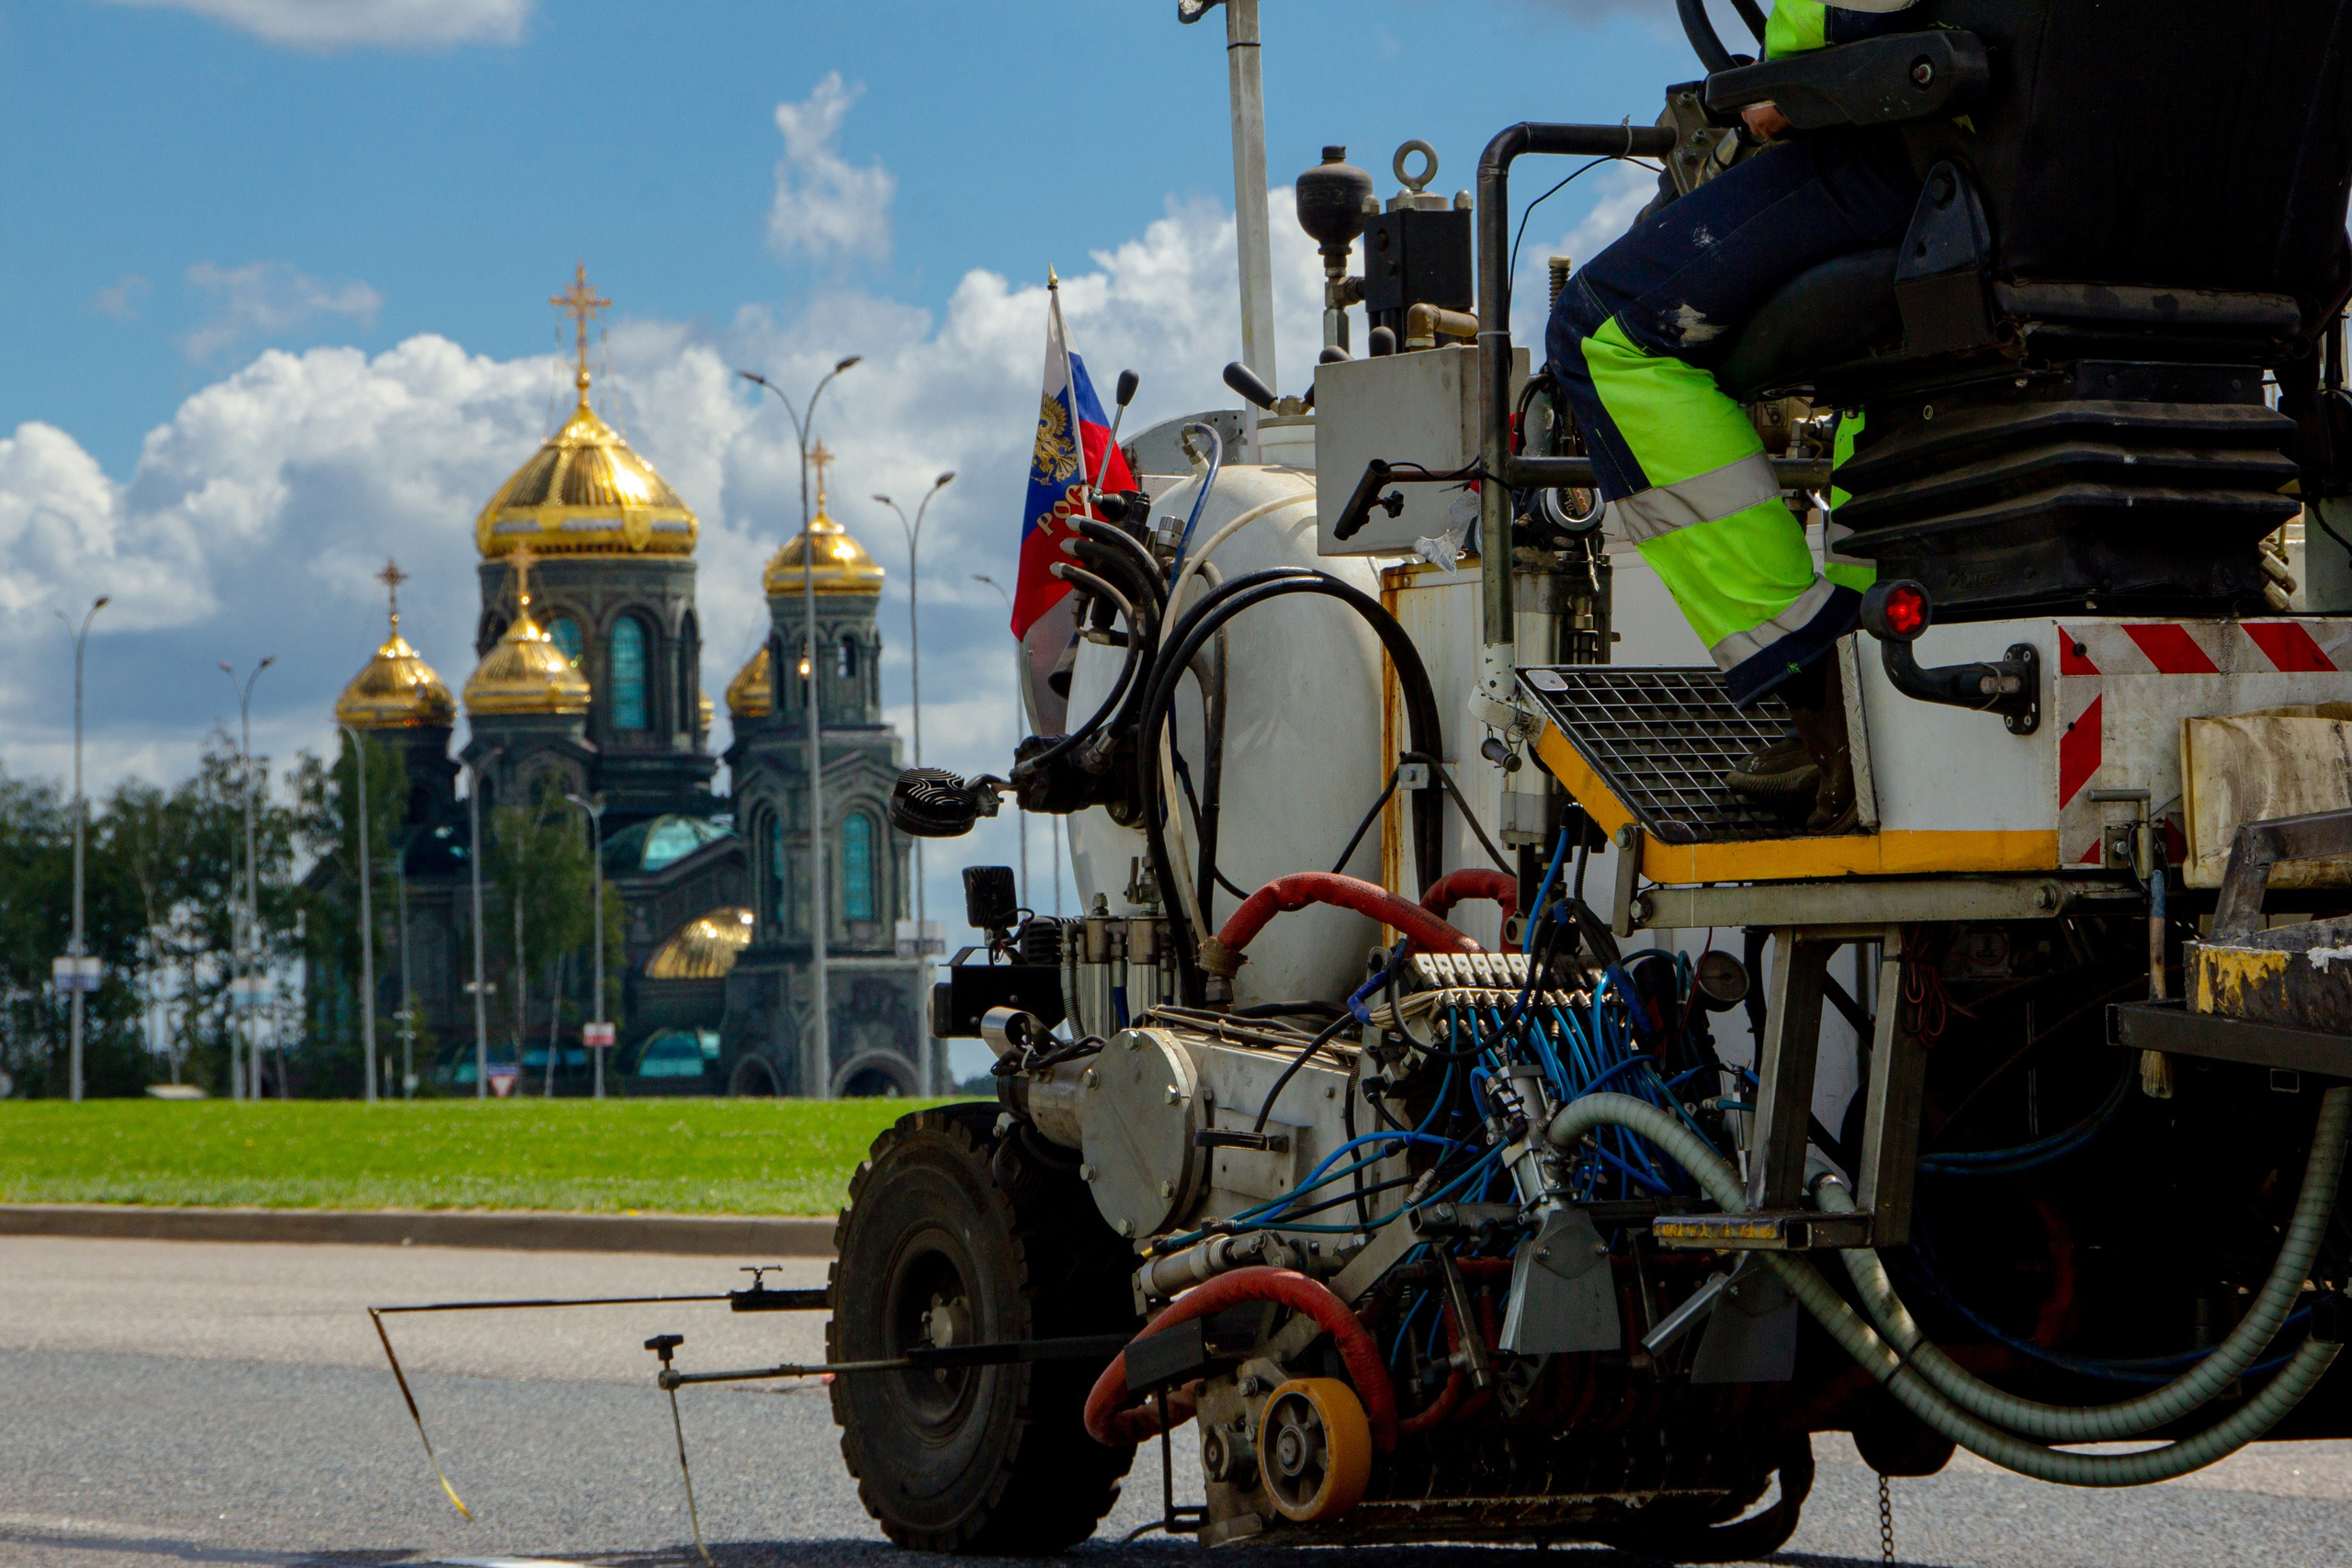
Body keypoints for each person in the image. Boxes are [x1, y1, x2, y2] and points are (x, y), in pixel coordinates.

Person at [1546, 0, 1927, 833]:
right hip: (2145, 200)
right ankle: (1880, 677)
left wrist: (1781, 83)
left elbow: (1825, 37)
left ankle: (1815, 685)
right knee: (1893, 387)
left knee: (1601, 329)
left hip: (1915, 153)